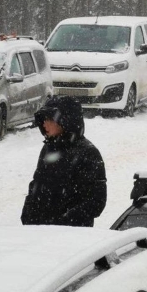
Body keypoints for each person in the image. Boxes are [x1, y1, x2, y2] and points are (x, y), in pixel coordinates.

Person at [21, 96, 106, 227]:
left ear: (65, 121)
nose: (44, 124)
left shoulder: (88, 153)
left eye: (49, 119)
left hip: (70, 237)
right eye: (43, 119)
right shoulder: (49, 148)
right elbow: (37, 184)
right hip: (39, 234)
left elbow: (96, 201)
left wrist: (65, 221)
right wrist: (28, 214)